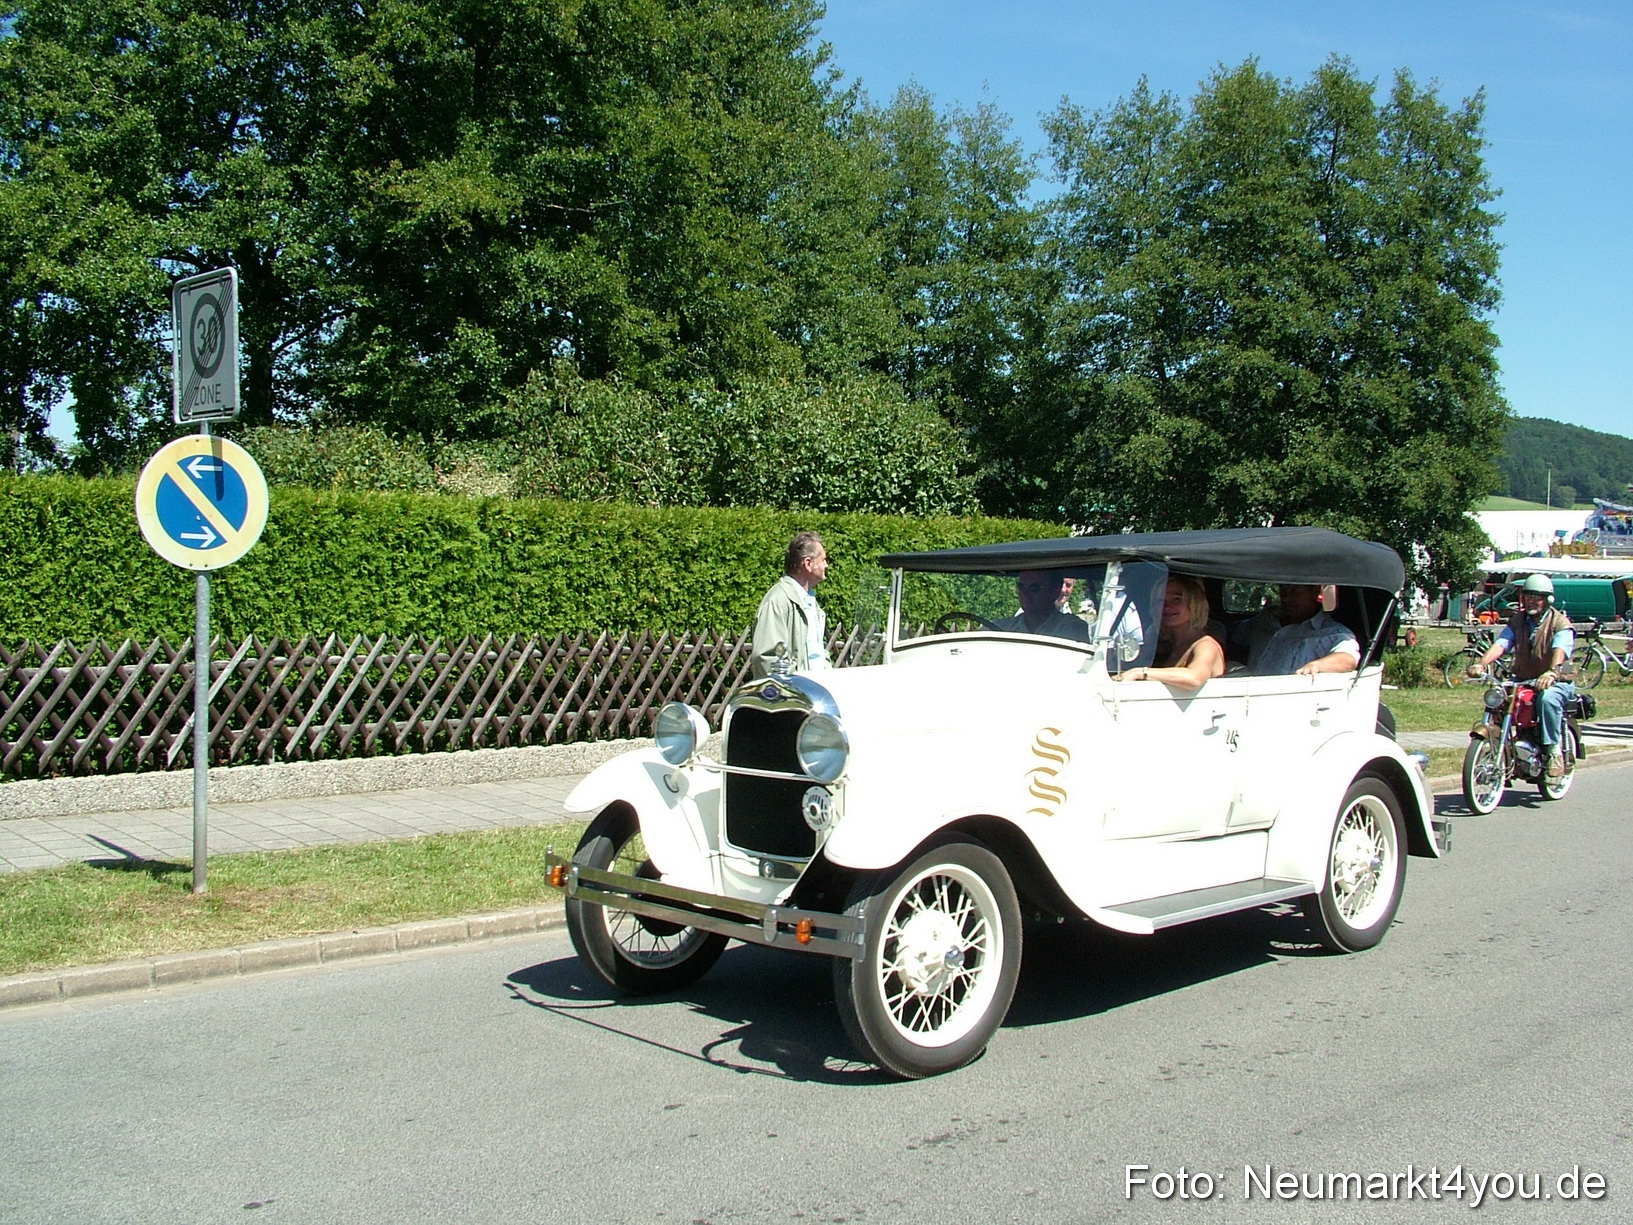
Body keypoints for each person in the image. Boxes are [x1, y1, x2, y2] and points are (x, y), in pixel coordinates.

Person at [1470, 573, 1575, 777]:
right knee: (1499, 697)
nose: (1530, 601)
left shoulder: (1560, 623)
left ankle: (1553, 752)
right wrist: (1481, 663)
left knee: (1547, 700)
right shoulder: (1518, 620)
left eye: (1536, 597)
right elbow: (1502, 644)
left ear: (1547, 600)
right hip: (1523, 679)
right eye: (1527, 596)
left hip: (1557, 681)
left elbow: (1559, 651)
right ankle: (1504, 748)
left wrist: (1552, 673)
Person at [1118, 575, 1225, 690]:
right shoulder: (1166, 647)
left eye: (1177, 599)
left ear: (1195, 604)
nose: (1167, 606)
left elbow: (1194, 679)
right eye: (1161, 601)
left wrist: (1140, 673)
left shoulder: (1206, 645)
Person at [749, 531, 830, 678]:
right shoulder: (778, 601)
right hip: (793, 697)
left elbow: (818, 654)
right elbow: (768, 658)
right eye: (823, 559)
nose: (826, 565)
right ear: (808, 564)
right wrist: (797, 688)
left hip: (814, 693)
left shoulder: (810, 602)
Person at [1252, 583, 1360, 676]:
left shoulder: (1333, 633)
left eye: (1295, 591)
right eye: (1283, 591)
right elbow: (1236, 633)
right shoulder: (1267, 620)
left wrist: (1316, 666)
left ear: (1315, 591)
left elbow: (1348, 659)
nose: (1286, 598)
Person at [993, 571, 1091, 642]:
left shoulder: (1071, 629)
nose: (1025, 594)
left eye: (1034, 588)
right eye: (1021, 587)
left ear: (1054, 591)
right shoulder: (999, 627)